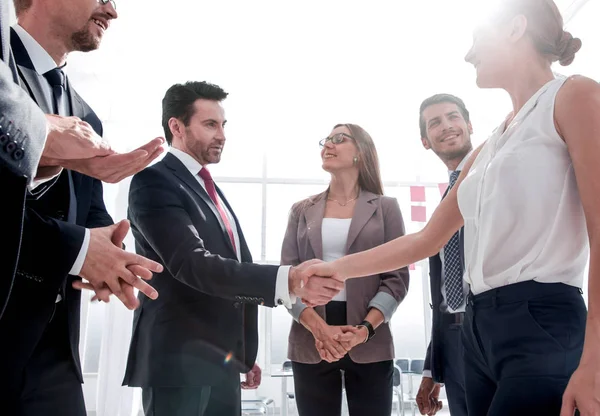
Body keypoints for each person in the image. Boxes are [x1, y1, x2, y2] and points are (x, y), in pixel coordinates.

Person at [301, 1, 600, 415]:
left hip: (542, 321)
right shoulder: (490, 144)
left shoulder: (575, 96)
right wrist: (336, 268)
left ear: (516, 28)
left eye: (478, 38)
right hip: (477, 331)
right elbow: (426, 240)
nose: (468, 53)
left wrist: (596, 361)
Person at [123, 81, 342, 416]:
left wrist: (240, 353)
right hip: (178, 365)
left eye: (223, 125)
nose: (222, 135)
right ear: (176, 126)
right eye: (210, 124)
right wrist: (289, 280)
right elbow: (193, 264)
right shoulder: (154, 182)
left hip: (219, 363)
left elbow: (231, 271)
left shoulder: (208, 188)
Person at [0, 0, 165, 414]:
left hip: (56, 356)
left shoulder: (87, 113)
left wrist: (112, 252)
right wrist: (79, 250)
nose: (112, 10)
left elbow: (87, 211)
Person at [281, 123, 409, 416]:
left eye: (339, 139)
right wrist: (319, 329)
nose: (328, 144)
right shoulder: (301, 210)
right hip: (310, 334)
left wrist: (364, 330)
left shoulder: (386, 208)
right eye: (326, 139)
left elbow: (396, 278)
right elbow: (286, 279)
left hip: (368, 335)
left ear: (360, 153)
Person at [415, 94, 473, 416]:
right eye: (434, 122)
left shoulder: (491, 181)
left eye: (453, 117)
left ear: (469, 124)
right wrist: (432, 368)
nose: (447, 126)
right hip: (450, 342)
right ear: (426, 140)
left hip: (490, 331)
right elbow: (445, 296)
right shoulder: (445, 204)